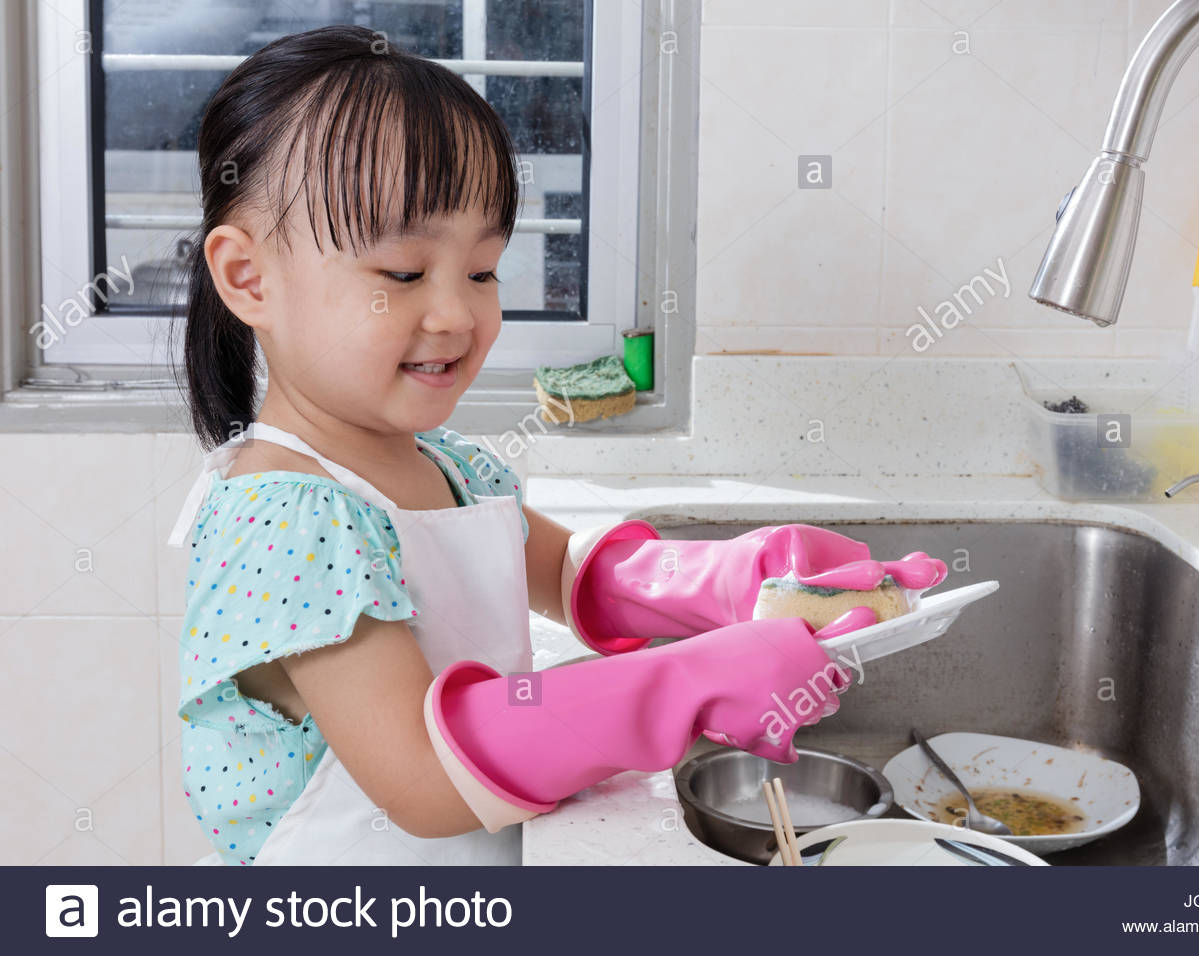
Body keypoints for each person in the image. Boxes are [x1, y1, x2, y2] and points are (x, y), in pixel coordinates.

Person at [166, 25, 948, 866]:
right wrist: (682, 683)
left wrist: (732, 580)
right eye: (402, 274)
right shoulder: (287, 521)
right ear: (250, 278)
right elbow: (426, 775)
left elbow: (570, 573)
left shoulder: (448, 466)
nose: (457, 314)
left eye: (482, 270)